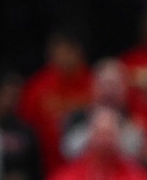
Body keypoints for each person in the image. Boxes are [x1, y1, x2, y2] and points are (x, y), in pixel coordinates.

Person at [24, 32, 96, 175]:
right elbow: (26, 129)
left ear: (78, 51)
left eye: (65, 51)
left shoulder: (95, 83)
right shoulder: (37, 87)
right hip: (48, 168)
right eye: (55, 52)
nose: (60, 57)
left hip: (87, 170)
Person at [48, 110, 147, 180]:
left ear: (119, 138)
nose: (104, 141)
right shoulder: (66, 175)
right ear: (90, 137)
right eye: (100, 134)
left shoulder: (138, 176)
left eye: (109, 134)